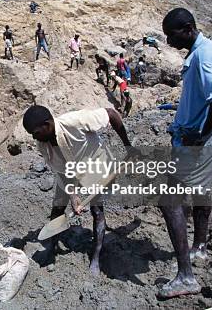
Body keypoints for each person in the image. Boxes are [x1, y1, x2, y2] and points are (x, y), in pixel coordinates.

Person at [157, 8, 212, 299]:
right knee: (202, 191)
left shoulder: (202, 58)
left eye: (170, 35)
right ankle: (199, 245)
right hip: (205, 140)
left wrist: (199, 135)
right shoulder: (209, 50)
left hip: (198, 144)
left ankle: (185, 276)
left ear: (187, 28)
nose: (168, 41)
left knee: (168, 201)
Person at [22, 105, 133, 276]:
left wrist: (128, 146)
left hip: (94, 165)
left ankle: (96, 255)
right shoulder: (43, 144)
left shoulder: (75, 122)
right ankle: (52, 245)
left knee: (96, 210)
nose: (34, 137)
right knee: (58, 208)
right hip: (67, 172)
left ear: (47, 125)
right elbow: (61, 171)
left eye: (36, 132)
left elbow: (111, 113)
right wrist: (73, 195)